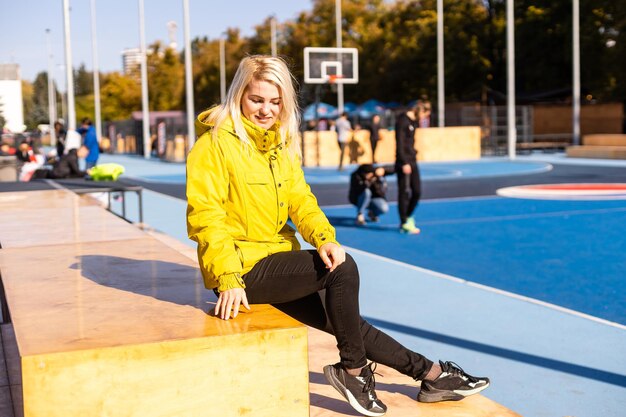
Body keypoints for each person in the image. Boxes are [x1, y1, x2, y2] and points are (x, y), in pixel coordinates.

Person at [186, 55, 489, 417]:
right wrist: (228, 277)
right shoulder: (215, 144)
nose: (267, 110)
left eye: (275, 101)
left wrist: (325, 238)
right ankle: (353, 372)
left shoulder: (278, 145)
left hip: (277, 261)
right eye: (257, 100)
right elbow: (206, 215)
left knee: (349, 323)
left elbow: (301, 200)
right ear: (239, 96)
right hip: (240, 271)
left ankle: (431, 375)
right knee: (343, 271)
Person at [395, 102, 422, 234]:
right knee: (404, 192)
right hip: (403, 162)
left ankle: (409, 215)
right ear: (418, 110)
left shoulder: (414, 122)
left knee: (417, 191)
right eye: (424, 113)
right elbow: (399, 143)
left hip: (413, 160)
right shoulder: (402, 121)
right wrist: (404, 161)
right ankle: (404, 221)